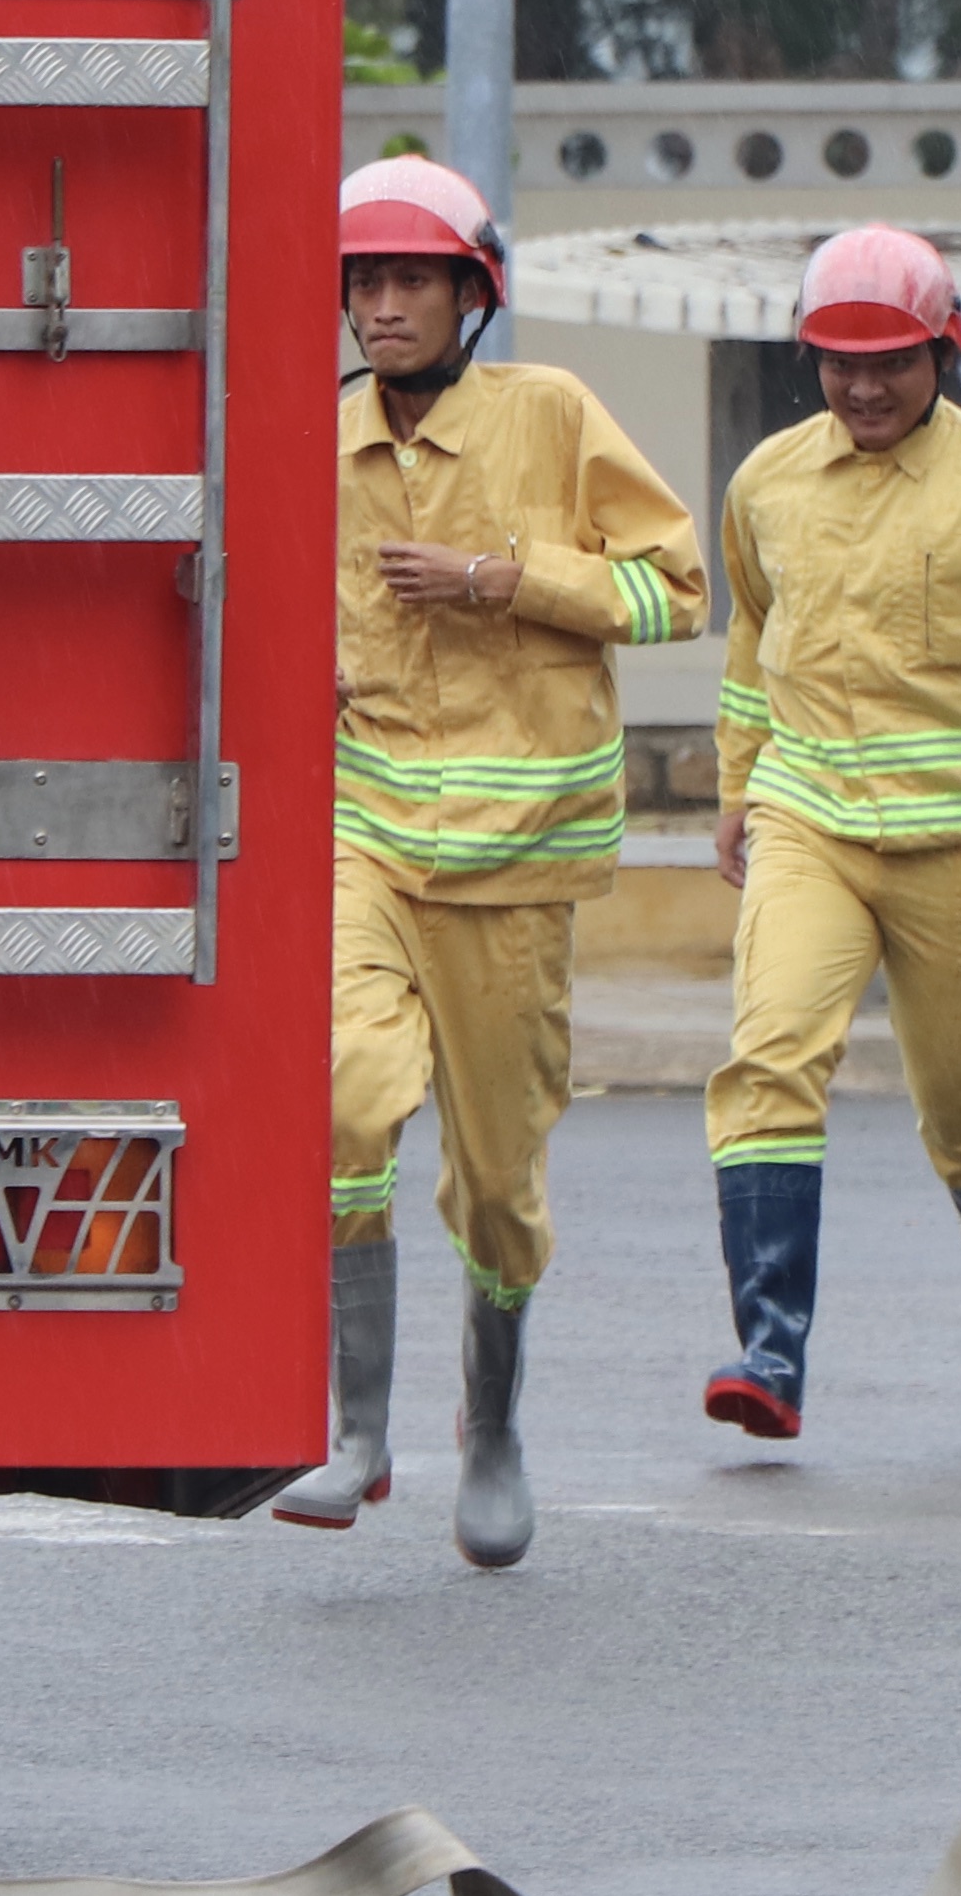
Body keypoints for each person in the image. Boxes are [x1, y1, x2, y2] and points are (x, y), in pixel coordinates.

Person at [281, 156, 704, 1568]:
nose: (382, 308)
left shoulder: (554, 417)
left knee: (500, 1185)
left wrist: (505, 579)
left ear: (475, 295)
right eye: (363, 284)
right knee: (345, 1098)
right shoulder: (314, 443)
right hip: (366, 839)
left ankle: (497, 1426)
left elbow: (675, 591)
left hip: (516, 869)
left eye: (409, 282)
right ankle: (356, 1434)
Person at [696, 224, 961, 1440]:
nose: (864, 386)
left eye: (891, 359)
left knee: (960, 1104)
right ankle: (770, 1353)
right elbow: (751, 643)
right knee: (769, 1053)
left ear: (943, 351)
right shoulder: (765, 482)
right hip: (809, 817)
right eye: (838, 361)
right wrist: (738, 786)